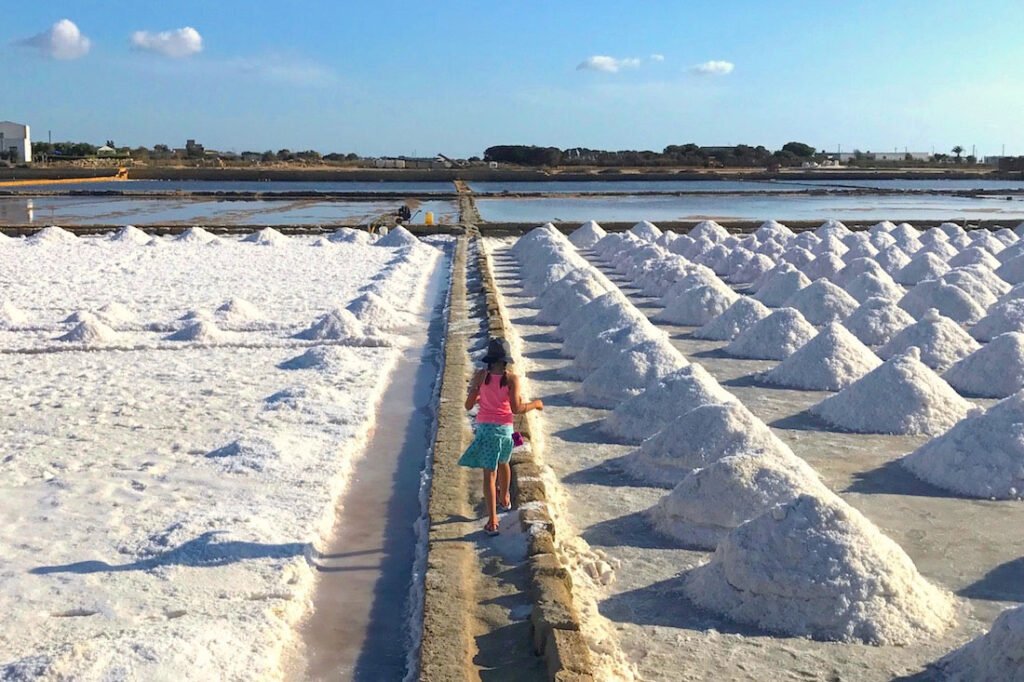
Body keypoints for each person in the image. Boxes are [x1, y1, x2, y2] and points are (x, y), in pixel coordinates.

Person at [458, 338, 543, 536]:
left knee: (489, 474)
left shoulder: (481, 375)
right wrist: (536, 404)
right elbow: (516, 408)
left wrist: (477, 393)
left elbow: (468, 406)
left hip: (486, 430)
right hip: (506, 430)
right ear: (506, 360)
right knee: (504, 463)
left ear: (489, 359)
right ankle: (505, 498)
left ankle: (493, 520)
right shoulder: (512, 379)